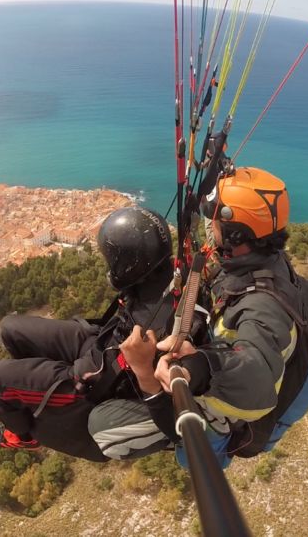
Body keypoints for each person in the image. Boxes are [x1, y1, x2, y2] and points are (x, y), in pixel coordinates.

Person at [0, 206, 206, 462]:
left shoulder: (166, 333)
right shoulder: (169, 276)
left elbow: (174, 419)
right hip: (99, 342)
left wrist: (147, 372)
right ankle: (33, 398)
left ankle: (21, 435)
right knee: (11, 329)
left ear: (131, 264)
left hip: (93, 383)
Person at [119, 167, 297, 467]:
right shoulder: (255, 262)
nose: (209, 226)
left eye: (214, 221)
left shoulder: (263, 305)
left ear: (236, 234)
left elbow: (256, 371)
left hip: (223, 408)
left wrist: (201, 366)